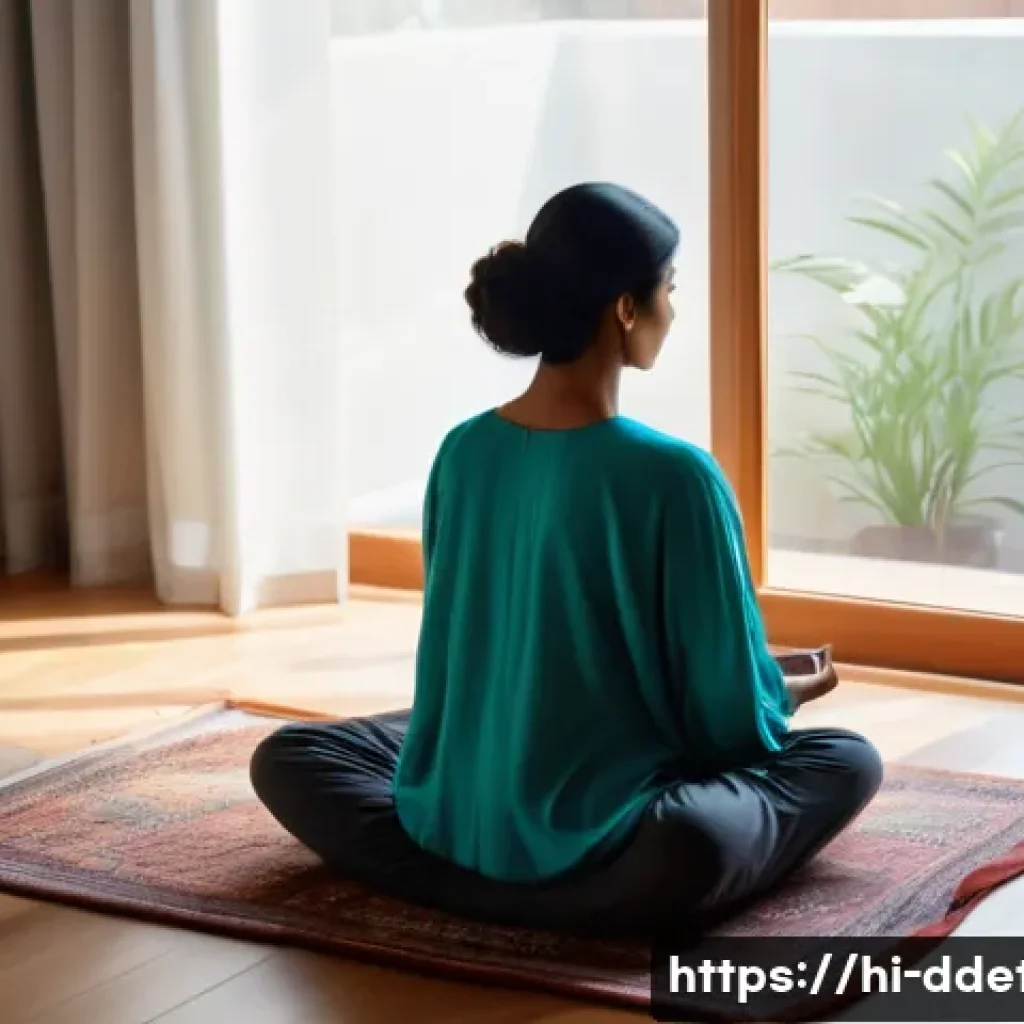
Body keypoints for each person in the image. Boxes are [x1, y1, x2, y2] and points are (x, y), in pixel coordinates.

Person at [250, 183, 882, 938]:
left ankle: (466, 872)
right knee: (842, 761)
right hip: (613, 828)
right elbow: (729, 730)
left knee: (293, 759)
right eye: (669, 291)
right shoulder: (679, 476)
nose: (674, 312)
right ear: (624, 308)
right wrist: (783, 693)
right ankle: (582, 894)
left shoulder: (463, 450)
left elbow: (456, 659)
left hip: (457, 816)